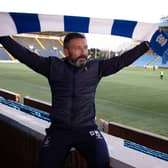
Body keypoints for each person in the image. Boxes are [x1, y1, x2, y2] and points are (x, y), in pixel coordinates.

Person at [0, 33, 150, 168]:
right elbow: (25, 55)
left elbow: (121, 61)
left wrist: (145, 46)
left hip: (87, 130)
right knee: (45, 164)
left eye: (85, 47)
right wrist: (3, 36)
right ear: (66, 51)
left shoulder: (95, 68)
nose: (83, 52)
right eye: (77, 48)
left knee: (101, 161)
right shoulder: (53, 66)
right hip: (59, 131)